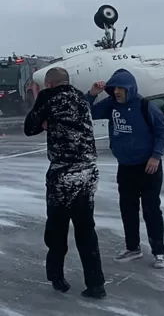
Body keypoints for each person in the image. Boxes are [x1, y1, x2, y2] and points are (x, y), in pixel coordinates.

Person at [23, 67, 106, 298]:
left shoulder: (49, 97)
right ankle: (96, 283)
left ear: (49, 84)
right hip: (88, 172)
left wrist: (42, 117)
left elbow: (29, 128)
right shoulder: (80, 97)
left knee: (57, 228)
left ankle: (56, 276)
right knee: (86, 229)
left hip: (63, 174)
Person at [85, 68, 164, 269]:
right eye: (114, 88)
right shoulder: (111, 105)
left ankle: (159, 252)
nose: (116, 92)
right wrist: (91, 95)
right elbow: (86, 112)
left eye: (120, 88)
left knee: (151, 210)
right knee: (128, 209)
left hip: (148, 167)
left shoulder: (145, 106)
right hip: (125, 167)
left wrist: (156, 156)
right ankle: (133, 247)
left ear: (130, 89)